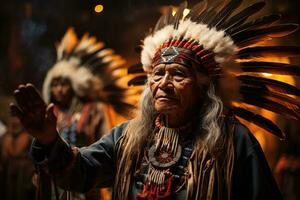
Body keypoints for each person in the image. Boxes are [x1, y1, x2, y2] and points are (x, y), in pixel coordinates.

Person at [10, 0, 300, 199]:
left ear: (203, 88)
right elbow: (80, 174)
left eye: (178, 74)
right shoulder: (128, 137)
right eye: (158, 73)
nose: (164, 84)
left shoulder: (234, 141)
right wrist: (49, 139)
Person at [31, 28, 135, 200]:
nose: (59, 89)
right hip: (57, 182)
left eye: (64, 84)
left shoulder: (94, 108)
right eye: (55, 84)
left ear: (74, 85)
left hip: (88, 178)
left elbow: (107, 148)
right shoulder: (51, 113)